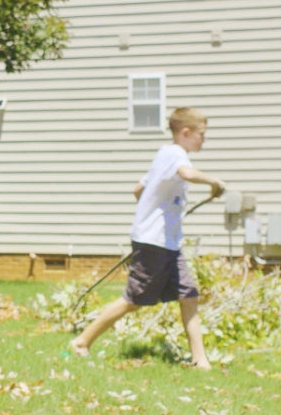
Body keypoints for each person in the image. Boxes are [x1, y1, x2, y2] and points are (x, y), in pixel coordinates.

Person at [69, 106, 225, 370]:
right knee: (134, 299)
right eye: (202, 134)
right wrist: (215, 182)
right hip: (155, 241)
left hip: (168, 242)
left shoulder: (164, 156)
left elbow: (138, 189)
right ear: (186, 133)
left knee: (189, 296)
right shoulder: (175, 154)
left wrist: (153, 207)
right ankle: (82, 342)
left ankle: (200, 361)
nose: (204, 139)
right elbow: (186, 174)